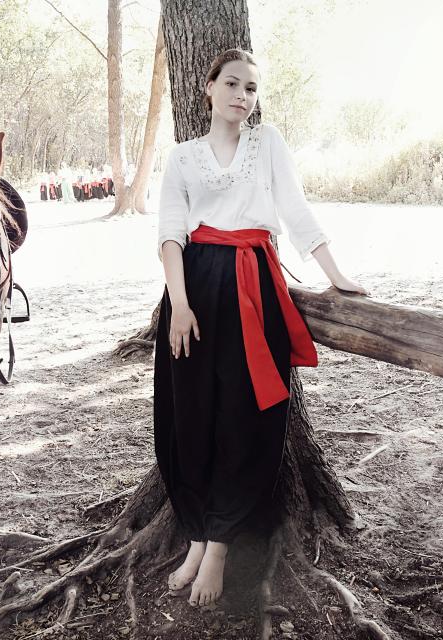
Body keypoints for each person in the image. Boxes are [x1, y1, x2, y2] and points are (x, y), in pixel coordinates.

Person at [154, 48, 367, 608]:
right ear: (208, 87)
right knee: (190, 417)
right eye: (231, 83)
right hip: (194, 292)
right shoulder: (181, 158)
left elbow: (295, 212)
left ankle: (220, 545)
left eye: (250, 88)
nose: (241, 95)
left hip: (253, 289)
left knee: (246, 417)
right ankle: (197, 535)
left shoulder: (266, 144)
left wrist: (335, 274)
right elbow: (171, 232)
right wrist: (178, 305)